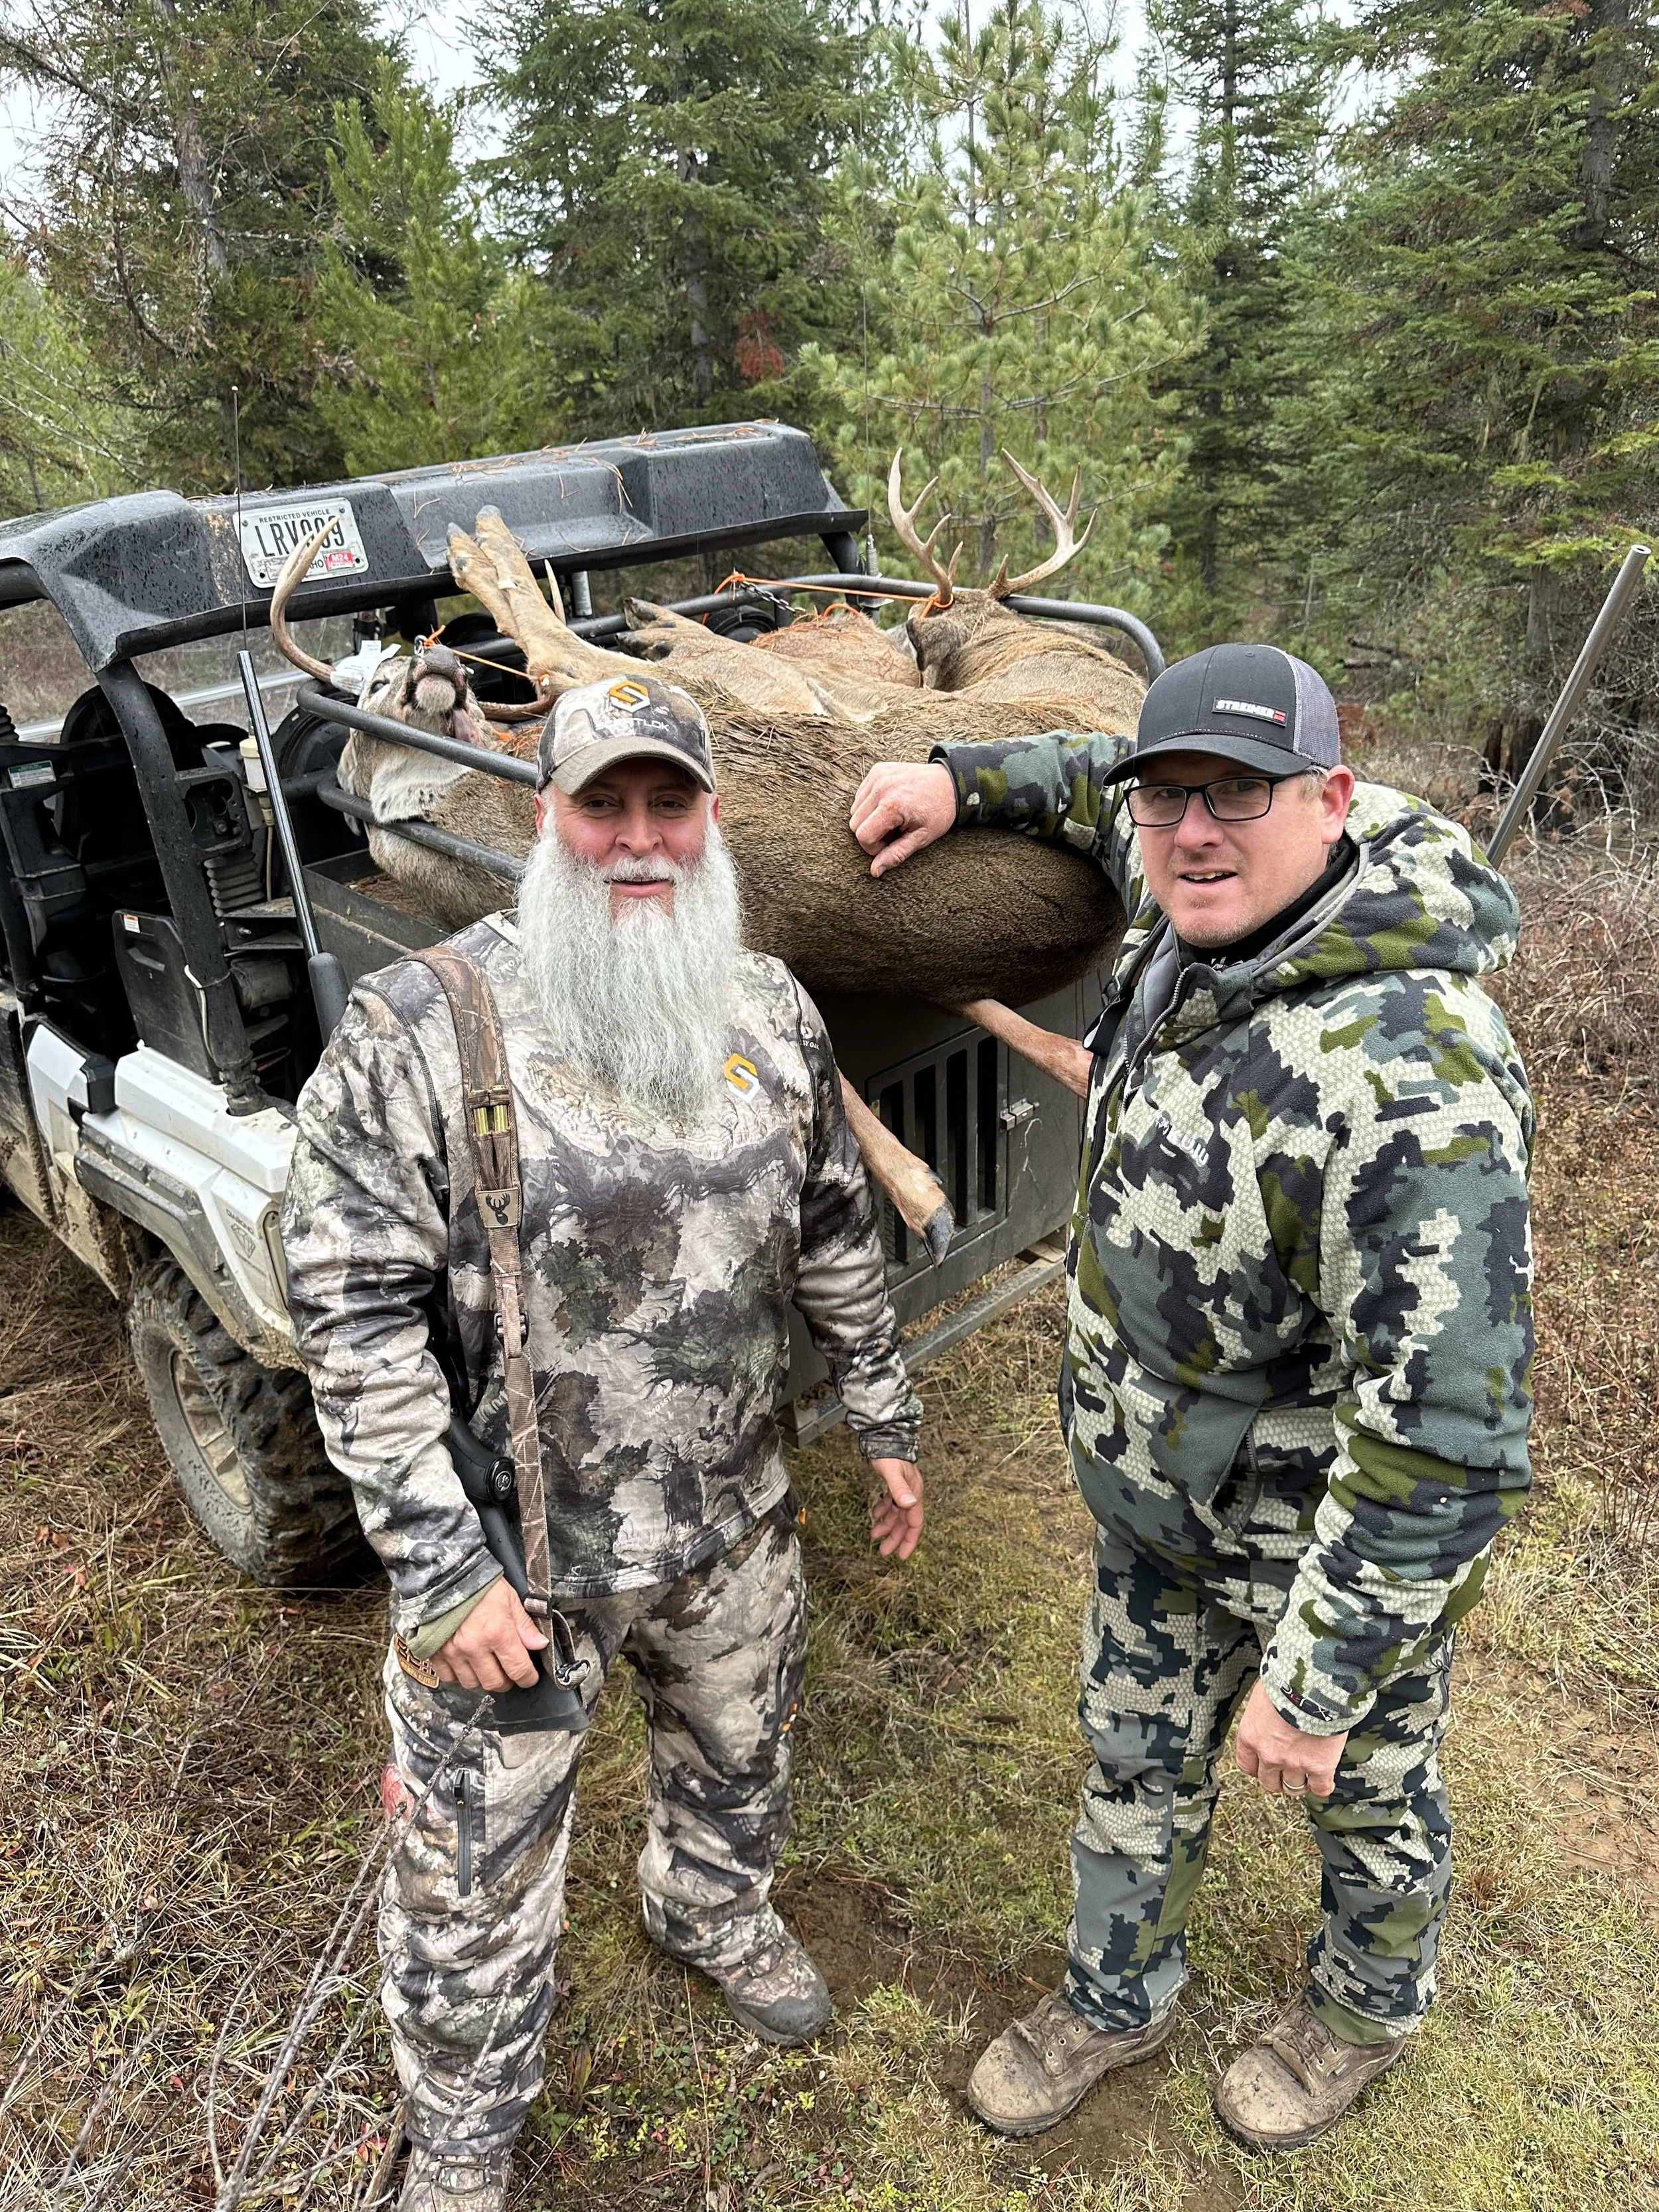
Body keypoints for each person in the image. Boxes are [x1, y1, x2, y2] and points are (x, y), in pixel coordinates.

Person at [849, 642, 1533, 2153]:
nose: (1189, 829)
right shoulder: (1197, 889)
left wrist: (1322, 1674)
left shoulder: (1408, 1076)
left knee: (1361, 1789)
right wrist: (956, 781)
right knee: (1135, 1751)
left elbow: (1446, 1433)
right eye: (1171, 799)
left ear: (1332, 798)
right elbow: (1096, 781)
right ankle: (1116, 1993)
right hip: (1158, 1504)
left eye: (1235, 792)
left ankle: (1365, 2005)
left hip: (1313, 1550)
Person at [283, 674, 924, 2212]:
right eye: (601, 806)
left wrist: (885, 1416)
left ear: (709, 822)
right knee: (471, 1880)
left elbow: (834, 1227)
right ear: (546, 822)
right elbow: (347, 1309)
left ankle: (709, 1911)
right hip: (521, 1568)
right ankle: (460, 2134)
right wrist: (440, 1575)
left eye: (667, 805)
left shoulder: (768, 1006)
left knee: (737, 1759)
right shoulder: (424, 1025)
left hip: (735, 1520)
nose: (637, 841)